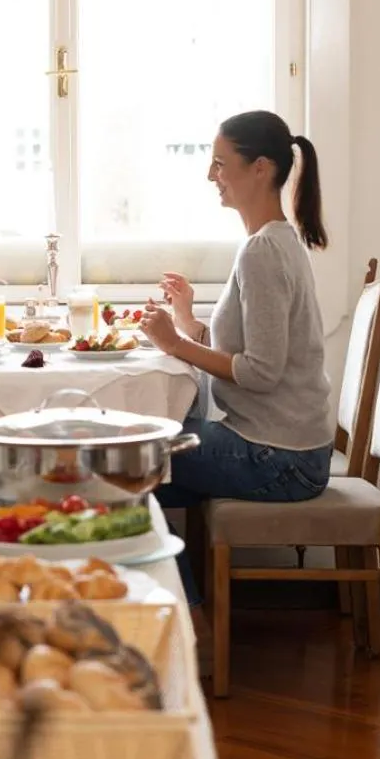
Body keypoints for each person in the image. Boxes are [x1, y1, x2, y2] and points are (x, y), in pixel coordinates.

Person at [143, 109, 333, 546]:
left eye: (221, 163)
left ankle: (184, 607)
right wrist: (187, 320)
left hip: (281, 459)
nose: (211, 174)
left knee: (121, 461)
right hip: (288, 450)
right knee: (129, 471)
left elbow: (261, 372)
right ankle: (182, 600)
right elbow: (247, 349)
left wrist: (174, 344)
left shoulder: (262, 252)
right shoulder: (273, 241)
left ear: (261, 168)